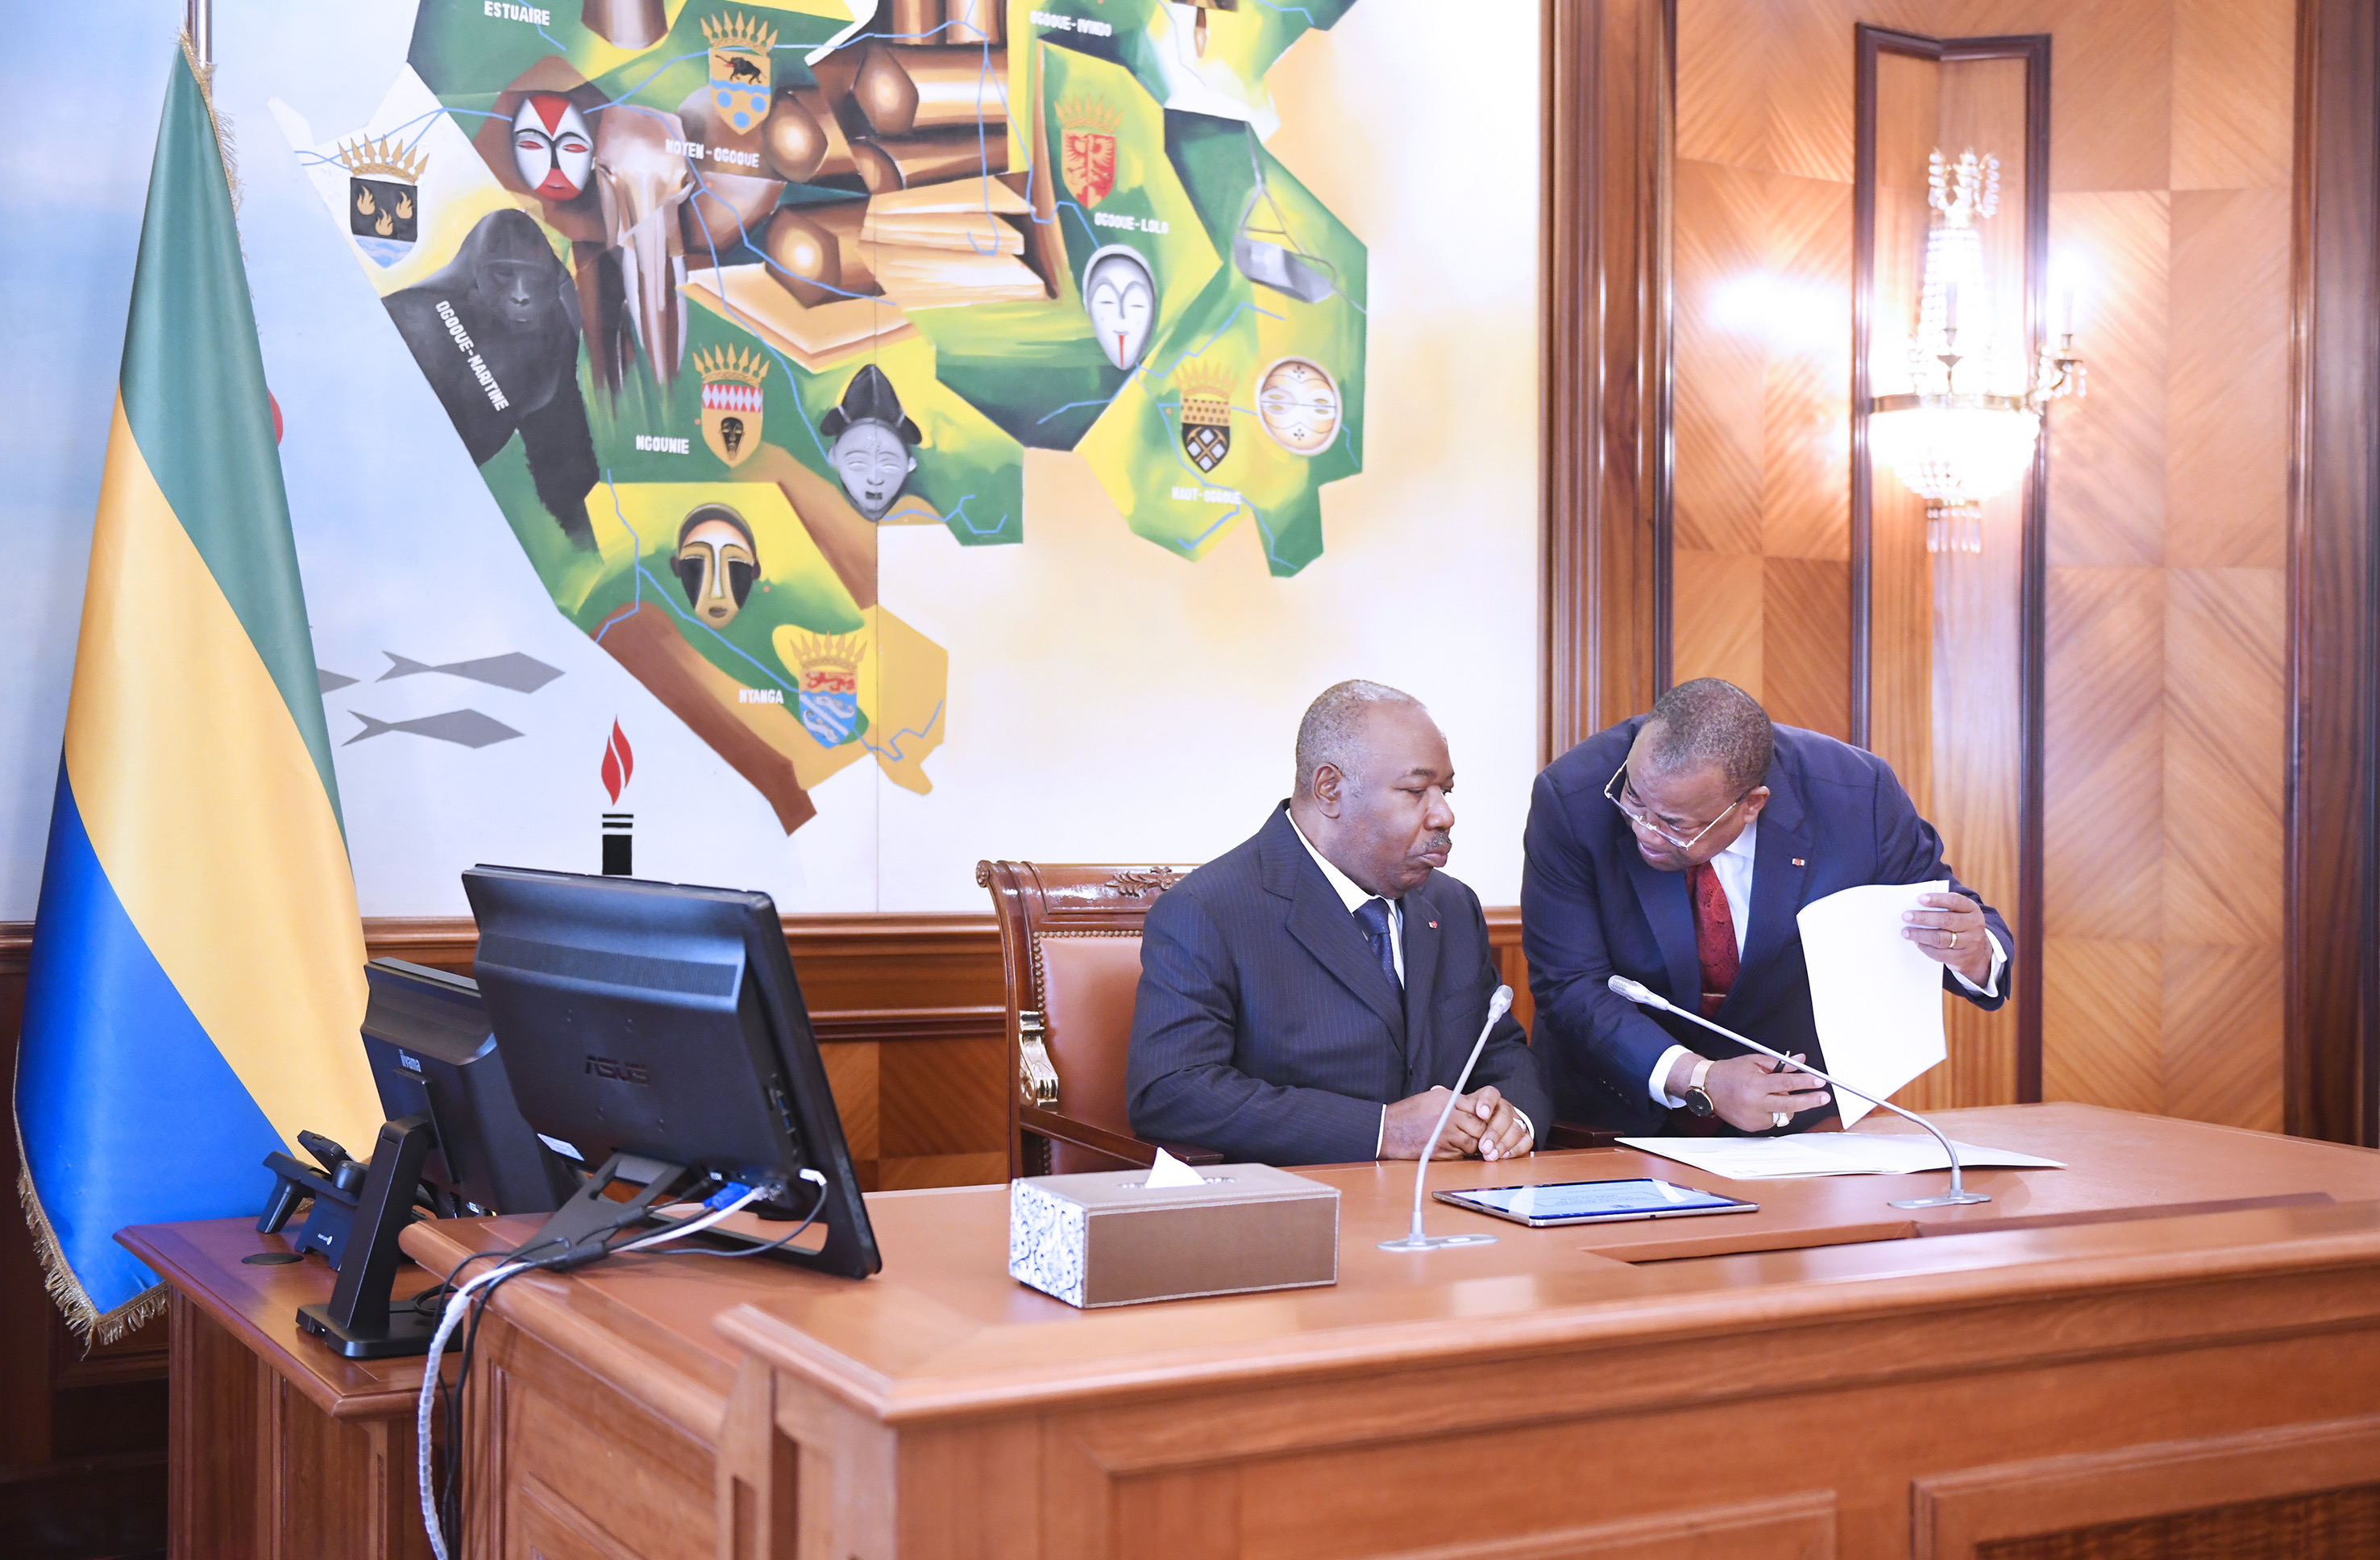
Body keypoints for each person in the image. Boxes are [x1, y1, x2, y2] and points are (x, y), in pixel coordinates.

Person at [1522, 678, 2010, 1135]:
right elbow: (1570, 984)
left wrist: (1973, 951)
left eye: (1674, 823)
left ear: (1751, 805)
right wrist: (1699, 1078)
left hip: (1794, 1125)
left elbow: (1947, 914)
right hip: (1613, 1113)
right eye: (1633, 798)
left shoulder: (1857, 797)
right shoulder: (1573, 796)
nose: (1643, 830)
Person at [1127, 680, 1551, 1166]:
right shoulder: (1209, 909)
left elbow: (1500, 1053)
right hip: (1302, 1199)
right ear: (1330, 789)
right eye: (1416, 791)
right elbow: (1173, 1091)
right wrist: (1381, 1131)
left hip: (1455, 1195)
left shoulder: (1451, 905)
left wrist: (1512, 1120)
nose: (1445, 815)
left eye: (1446, 790)